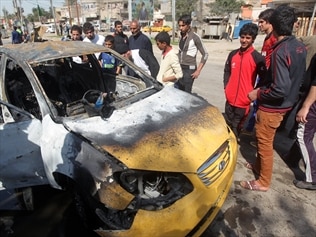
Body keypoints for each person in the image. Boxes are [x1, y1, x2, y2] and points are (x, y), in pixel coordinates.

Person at [241, 5, 307, 192]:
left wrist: (258, 93)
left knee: (264, 143)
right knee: (264, 141)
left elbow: (279, 88)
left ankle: (262, 182)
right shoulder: (299, 46)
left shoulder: (280, 51)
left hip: (273, 107)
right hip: (287, 103)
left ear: (274, 25)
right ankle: (258, 166)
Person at [223, 23, 266, 138]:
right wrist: (226, 87)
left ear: (253, 39)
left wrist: (255, 92)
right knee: (227, 124)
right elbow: (227, 71)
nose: (244, 40)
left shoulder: (257, 58)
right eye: (242, 37)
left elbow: (264, 79)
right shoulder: (233, 54)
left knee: (236, 127)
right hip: (230, 98)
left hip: (244, 101)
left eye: (248, 38)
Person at [243, 8, 278, 136]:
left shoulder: (275, 39)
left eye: (262, 22)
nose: (260, 25)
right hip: (263, 76)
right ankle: (250, 129)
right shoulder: (267, 38)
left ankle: (260, 136)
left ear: (270, 22)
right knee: (256, 105)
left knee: (261, 107)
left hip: (269, 79)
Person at [294, 53, 316, 190]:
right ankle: (292, 157)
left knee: (303, 136)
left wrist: (306, 106)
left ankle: (312, 178)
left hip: (313, 103)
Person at [177, 14, 208, 93]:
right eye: (179, 26)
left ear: (188, 25)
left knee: (186, 93)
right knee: (179, 91)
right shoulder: (180, 36)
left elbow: (205, 54)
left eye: (183, 25)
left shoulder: (195, 37)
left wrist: (198, 71)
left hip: (189, 69)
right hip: (180, 67)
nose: (181, 28)